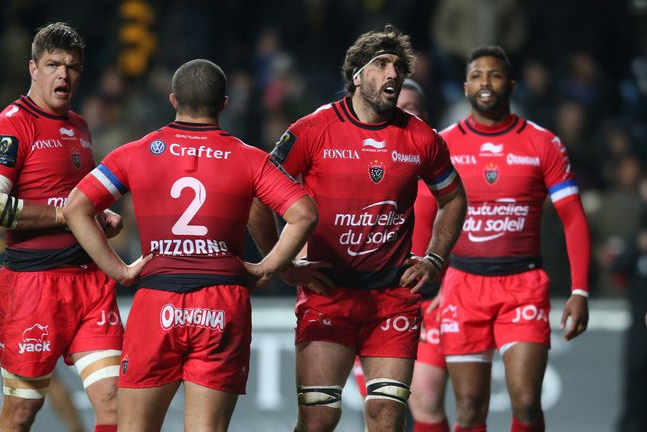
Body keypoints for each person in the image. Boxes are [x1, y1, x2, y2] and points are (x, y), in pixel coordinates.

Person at [63, 59, 317, 432]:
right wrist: (267, 266)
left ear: (172, 100)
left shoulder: (135, 152)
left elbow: (75, 208)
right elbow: (304, 215)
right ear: (224, 104)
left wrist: (119, 269)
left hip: (157, 301)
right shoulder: (250, 158)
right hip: (222, 305)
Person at [248, 24, 467, 432]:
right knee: (318, 420)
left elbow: (454, 198)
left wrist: (435, 258)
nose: (393, 74)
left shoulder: (421, 138)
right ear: (356, 75)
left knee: (386, 416)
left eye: (399, 67)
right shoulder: (312, 130)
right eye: (381, 64)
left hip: (392, 298)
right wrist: (284, 264)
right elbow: (259, 197)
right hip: (329, 294)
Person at [0, 22, 125, 432]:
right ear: (33, 69)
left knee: (115, 404)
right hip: (32, 287)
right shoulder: (11, 126)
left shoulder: (79, 125)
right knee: (21, 413)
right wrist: (64, 217)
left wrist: (97, 216)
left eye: (72, 66)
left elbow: (77, 199)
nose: (64, 74)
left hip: (89, 284)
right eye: (53, 64)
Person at [437, 46, 590, 432]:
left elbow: (572, 217)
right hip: (463, 285)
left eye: (495, 75)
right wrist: (425, 275)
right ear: (465, 86)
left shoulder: (542, 143)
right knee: (469, 408)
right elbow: (424, 214)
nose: (485, 83)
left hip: (522, 286)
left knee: (525, 401)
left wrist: (580, 290)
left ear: (512, 85)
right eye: (477, 76)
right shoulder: (444, 144)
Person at [353, 79, 452, 432]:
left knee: (424, 396)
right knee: (380, 407)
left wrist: (450, 283)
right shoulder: (357, 156)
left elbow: (466, 228)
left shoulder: (439, 167)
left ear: (424, 117)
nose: (404, 113)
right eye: (399, 107)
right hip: (367, 300)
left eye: (412, 108)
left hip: (426, 300)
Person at [0, 225, 87, 432]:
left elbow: (12, 268)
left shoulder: (24, 232)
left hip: (27, 317)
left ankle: (78, 429)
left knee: (50, 381)